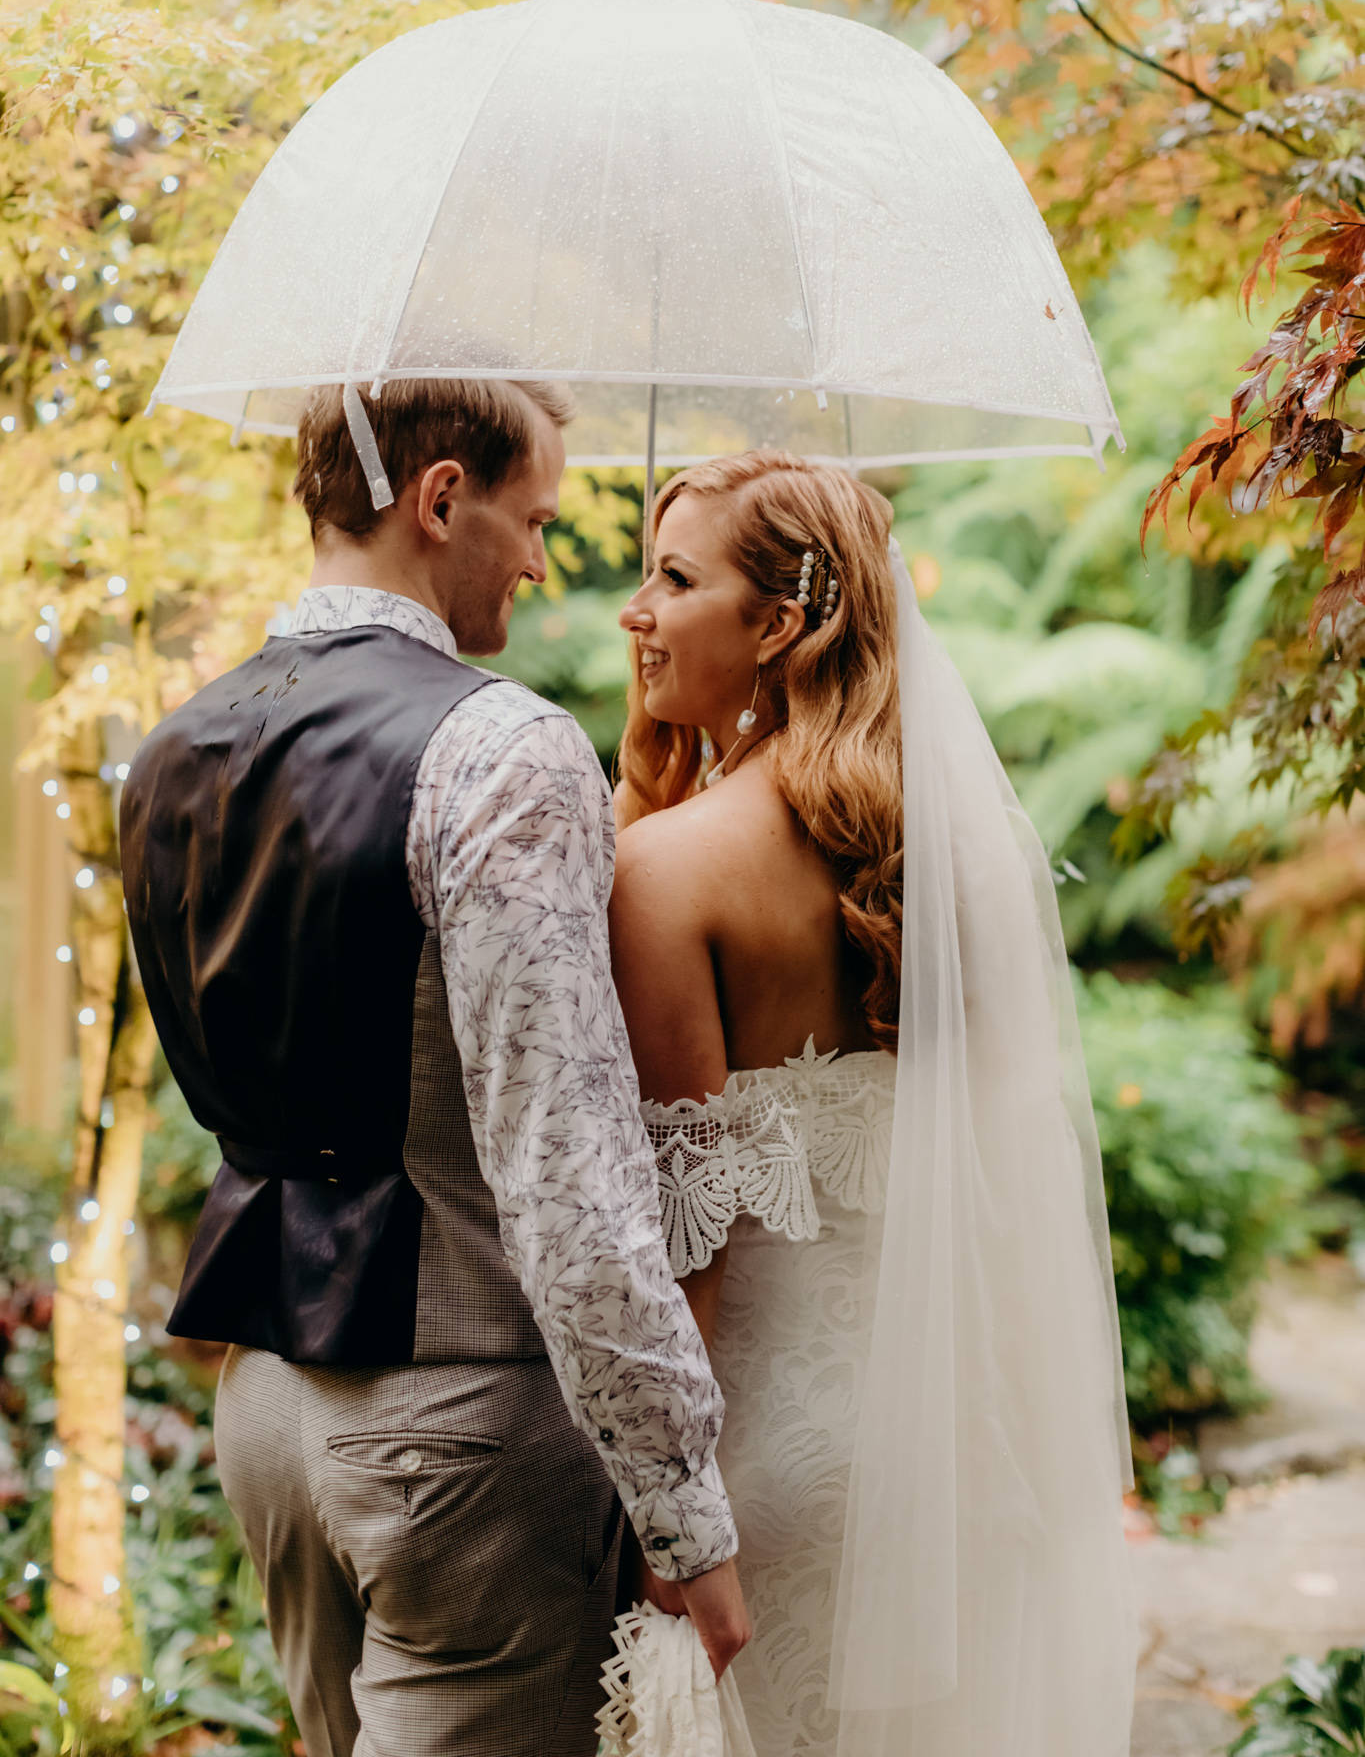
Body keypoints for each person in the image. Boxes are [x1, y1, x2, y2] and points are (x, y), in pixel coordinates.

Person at [118, 375, 750, 1757]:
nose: (539, 558)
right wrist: (682, 1509)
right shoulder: (500, 747)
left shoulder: (170, 751)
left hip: (266, 1416)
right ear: (440, 495)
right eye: (530, 518)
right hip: (455, 1427)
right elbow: (567, 1172)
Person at [610, 450, 1136, 1757]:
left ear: (777, 622)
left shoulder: (664, 872)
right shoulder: (955, 859)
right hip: (958, 1444)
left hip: (760, 1464)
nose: (634, 614)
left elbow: (691, 1235)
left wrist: (671, 1518)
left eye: (671, 580)